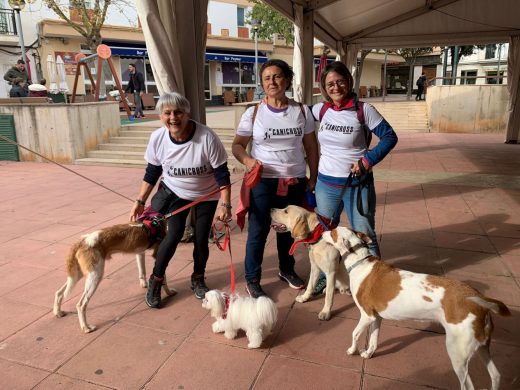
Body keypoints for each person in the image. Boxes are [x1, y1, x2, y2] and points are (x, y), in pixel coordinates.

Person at [129, 92, 231, 308]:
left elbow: (222, 173)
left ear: (187, 114)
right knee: (173, 235)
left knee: (201, 237)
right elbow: (152, 172)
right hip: (174, 192)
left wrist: (225, 204)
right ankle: (155, 281)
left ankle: (198, 279)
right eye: (167, 113)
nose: (173, 117)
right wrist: (140, 201)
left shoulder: (206, 137)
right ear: (160, 116)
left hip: (206, 195)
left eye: (178, 113)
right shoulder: (158, 138)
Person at [232, 59, 319, 298]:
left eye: (277, 76)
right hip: (264, 181)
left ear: (287, 80)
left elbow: (311, 146)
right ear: (262, 83)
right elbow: (238, 146)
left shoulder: (301, 111)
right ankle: (252, 278)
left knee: (288, 229)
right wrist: (249, 161)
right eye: (267, 78)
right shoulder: (254, 113)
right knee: (258, 231)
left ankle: (286, 269)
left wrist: (313, 175)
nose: (272, 82)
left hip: (295, 178)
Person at [311, 61, 398, 294]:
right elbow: (295, 114)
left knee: (365, 233)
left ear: (349, 82)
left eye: (340, 81)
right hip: (326, 184)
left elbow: (389, 137)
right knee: (326, 234)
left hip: (357, 184)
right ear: (323, 87)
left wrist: (366, 161)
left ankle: (376, 281)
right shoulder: (320, 110)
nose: (335, 87)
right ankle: (325, 275)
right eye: (330, 83)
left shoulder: (363, 110)